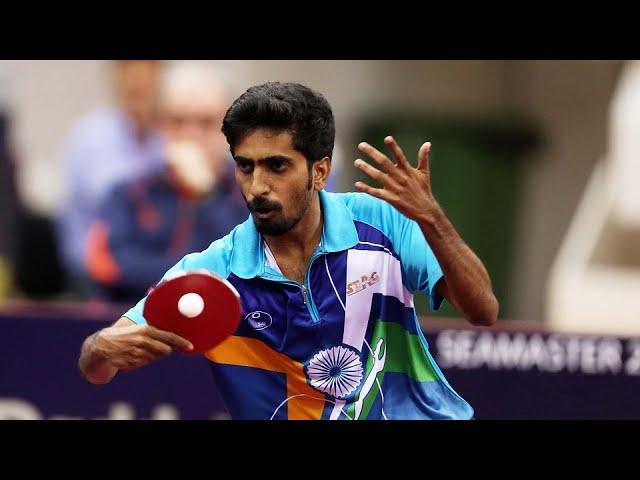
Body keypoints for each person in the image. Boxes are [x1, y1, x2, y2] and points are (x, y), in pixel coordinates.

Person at [78, 82, 498, 420]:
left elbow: (483, 311)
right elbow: (98, 364)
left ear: (319, 170)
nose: (258, 186)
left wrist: (434, 220)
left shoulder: (382, 222)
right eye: (246, 166)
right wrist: (98, 349)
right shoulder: (214, 272)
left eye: (277, 166)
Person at [84, 63, 246, 304]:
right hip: (138, 327)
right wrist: (198, 274)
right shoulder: (128, 194)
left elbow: (245, 268)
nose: (191, 135)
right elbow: (110, 268)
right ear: (158, 125)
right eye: (177, 122)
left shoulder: (249, 195)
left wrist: (207, 194)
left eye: (206, 123)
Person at [57, 61, 165, 296]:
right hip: (95, 280)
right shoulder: (91, 136)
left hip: (151, 274)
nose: (139, 77)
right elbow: (109, 208)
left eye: (150, 67)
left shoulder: (166, 136)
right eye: (128, 67)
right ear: (115, 75)